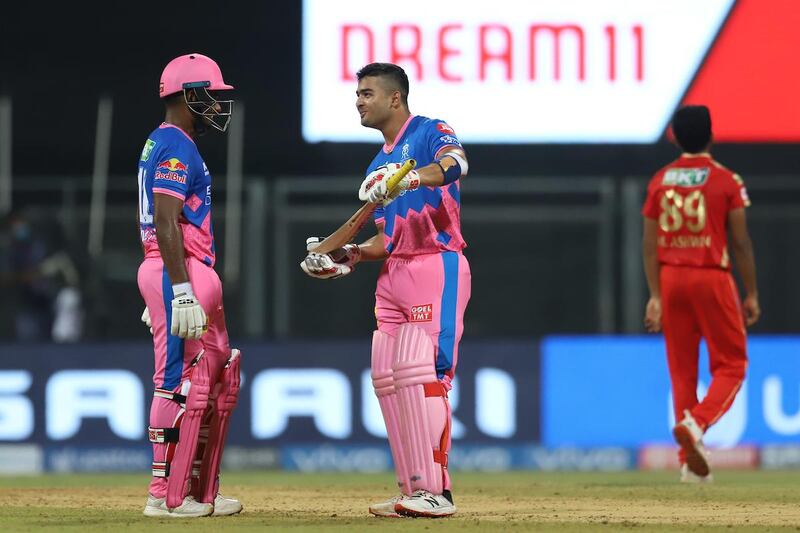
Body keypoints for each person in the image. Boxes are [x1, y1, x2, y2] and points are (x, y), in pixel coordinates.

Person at [302, 62, 471, 518]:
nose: (359, 100)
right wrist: (352, 254)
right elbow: (389, 238)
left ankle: (438, 491)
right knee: (389, 381)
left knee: (426, 377)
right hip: (394, 272)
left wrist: (414, 176)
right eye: (357, 94)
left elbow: (458, 165)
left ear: (395, 97)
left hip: (435, 264)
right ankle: (413, 488)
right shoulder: (377, 164)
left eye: (367, 93)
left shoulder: (429, 130)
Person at [136, 53, 242, 518]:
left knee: (216, 375)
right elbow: (164, 221)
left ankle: (198, 488)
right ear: (187, 95)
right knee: (175, 382)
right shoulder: (176, 146)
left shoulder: (170, 142)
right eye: (211, 96)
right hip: (180, 270)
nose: (218, 105)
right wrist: (174, 287)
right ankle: (162, 495)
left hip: (182, 270)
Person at [641, 105, 759, 483]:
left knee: (682, 372)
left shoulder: (661, 179)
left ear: (673, 136)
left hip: (671, 279)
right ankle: (697, 424)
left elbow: (649, 242)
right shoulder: (726, 180)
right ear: (712, 134)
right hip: (711, 276)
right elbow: (740, 242)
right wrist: (752, 292)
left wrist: (655, 295)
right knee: (733, 365)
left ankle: (687, 464)